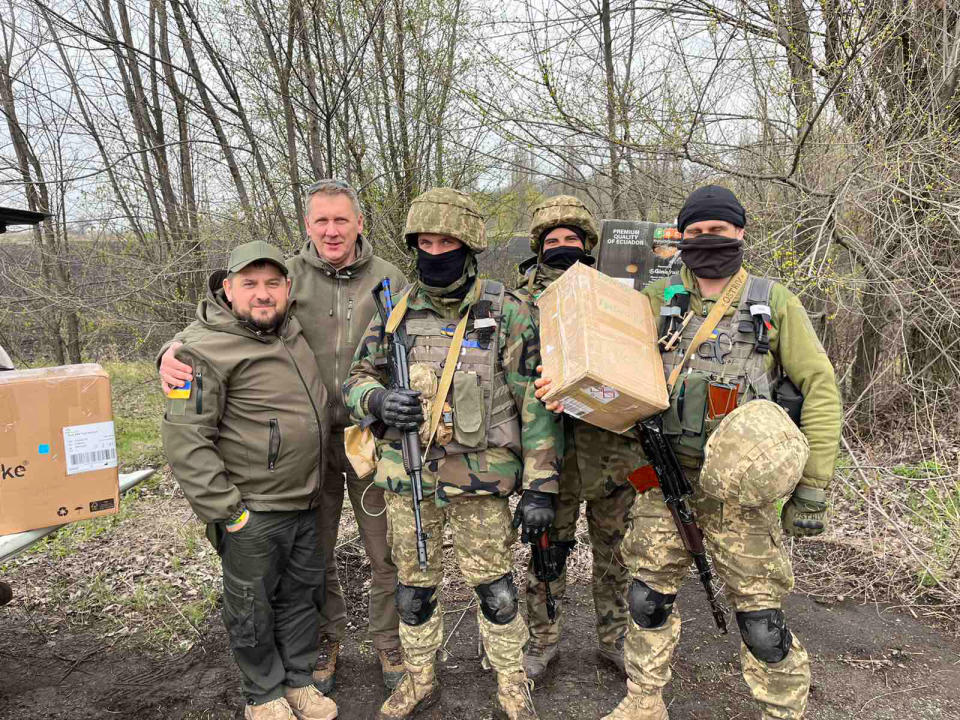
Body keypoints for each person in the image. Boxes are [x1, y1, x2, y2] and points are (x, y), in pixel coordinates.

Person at [540, 185, 843, 719]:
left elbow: (819, 388)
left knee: (761, 622)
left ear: (740, 233)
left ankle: (784, 708)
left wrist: (812, 488)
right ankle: (643, 700)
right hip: (665, 481)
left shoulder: (772, 302)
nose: (708, 241)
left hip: (741, 498)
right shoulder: (654, 303)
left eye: (718, 232)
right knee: (647, 600)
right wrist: (560, 382)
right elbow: (607, 376)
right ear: (681, 237)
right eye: (696, 233)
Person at [159, 180, 405, 692]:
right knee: (317, 555)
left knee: (386, 552)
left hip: (370, 439)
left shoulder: (389, 279)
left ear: (360, 223)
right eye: (321, 221)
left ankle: (390, 643)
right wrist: (171, 347)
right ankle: (326, 639)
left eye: (342, 220)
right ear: (308, 226)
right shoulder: (286, 276)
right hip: (305, 450)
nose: (332, 231)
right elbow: (225, 321)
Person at [343, 188, 563, 720]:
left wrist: (541, 485)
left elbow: (534, 403)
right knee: (414, 591)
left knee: (496, 590)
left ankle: (511, 682)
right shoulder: (393, 315)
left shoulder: (507, 311)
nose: (433, 251)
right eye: (424, 242)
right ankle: (419, 677)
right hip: (409, 480)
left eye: (445, 242)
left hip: (481, 482)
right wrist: (376, 400)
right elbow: (354, 381)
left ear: (468, 247)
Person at [161, 241, 337, 720]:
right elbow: (185, 440)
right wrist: (229, 512)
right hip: (253, 510)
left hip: (306, 501)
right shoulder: (200, 350)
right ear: (228, 290)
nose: (263, 294)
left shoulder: (292, 332)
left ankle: (298, 680)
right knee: (251, 607)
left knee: (302, 597)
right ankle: (262, 693)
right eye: (250, 284)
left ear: (287, 288)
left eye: (272, 283)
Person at [513, 196, 637, 679]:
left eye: (572, 240)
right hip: (550, 454)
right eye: (553, 241)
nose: (563, 247)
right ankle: (541, 641)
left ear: (589, 246)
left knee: (617, 551)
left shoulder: (616, 295)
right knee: (547, 549)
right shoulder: (520, 303)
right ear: (538, 248)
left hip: (612, 451)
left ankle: (616, 638)